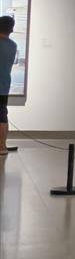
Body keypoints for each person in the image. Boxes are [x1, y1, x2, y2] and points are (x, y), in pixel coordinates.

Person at [0, 15, 16, 156]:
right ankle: (2, 147)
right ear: (11, 29)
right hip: (4, 86)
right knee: (2, 116)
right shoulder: (13, 45)